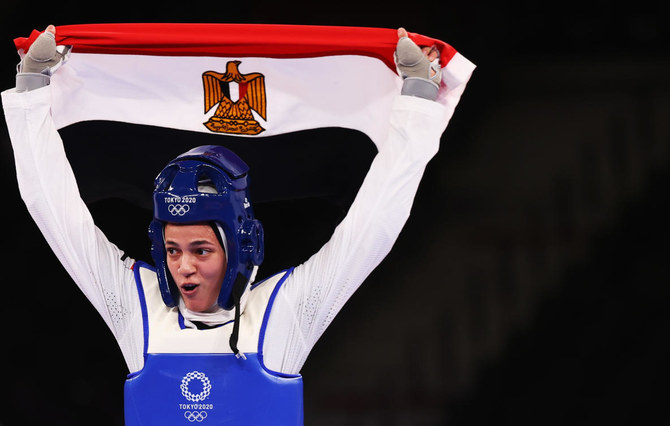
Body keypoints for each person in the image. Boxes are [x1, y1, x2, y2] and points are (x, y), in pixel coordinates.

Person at [3, 24, 462, 425]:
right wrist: (32, 91)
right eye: (173, 250)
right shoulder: (137, 311)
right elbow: (55, 212)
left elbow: (372, 228)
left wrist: (417, 101)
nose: (183, 266)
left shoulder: (283, 316)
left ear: (238, 249)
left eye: (201, 250)